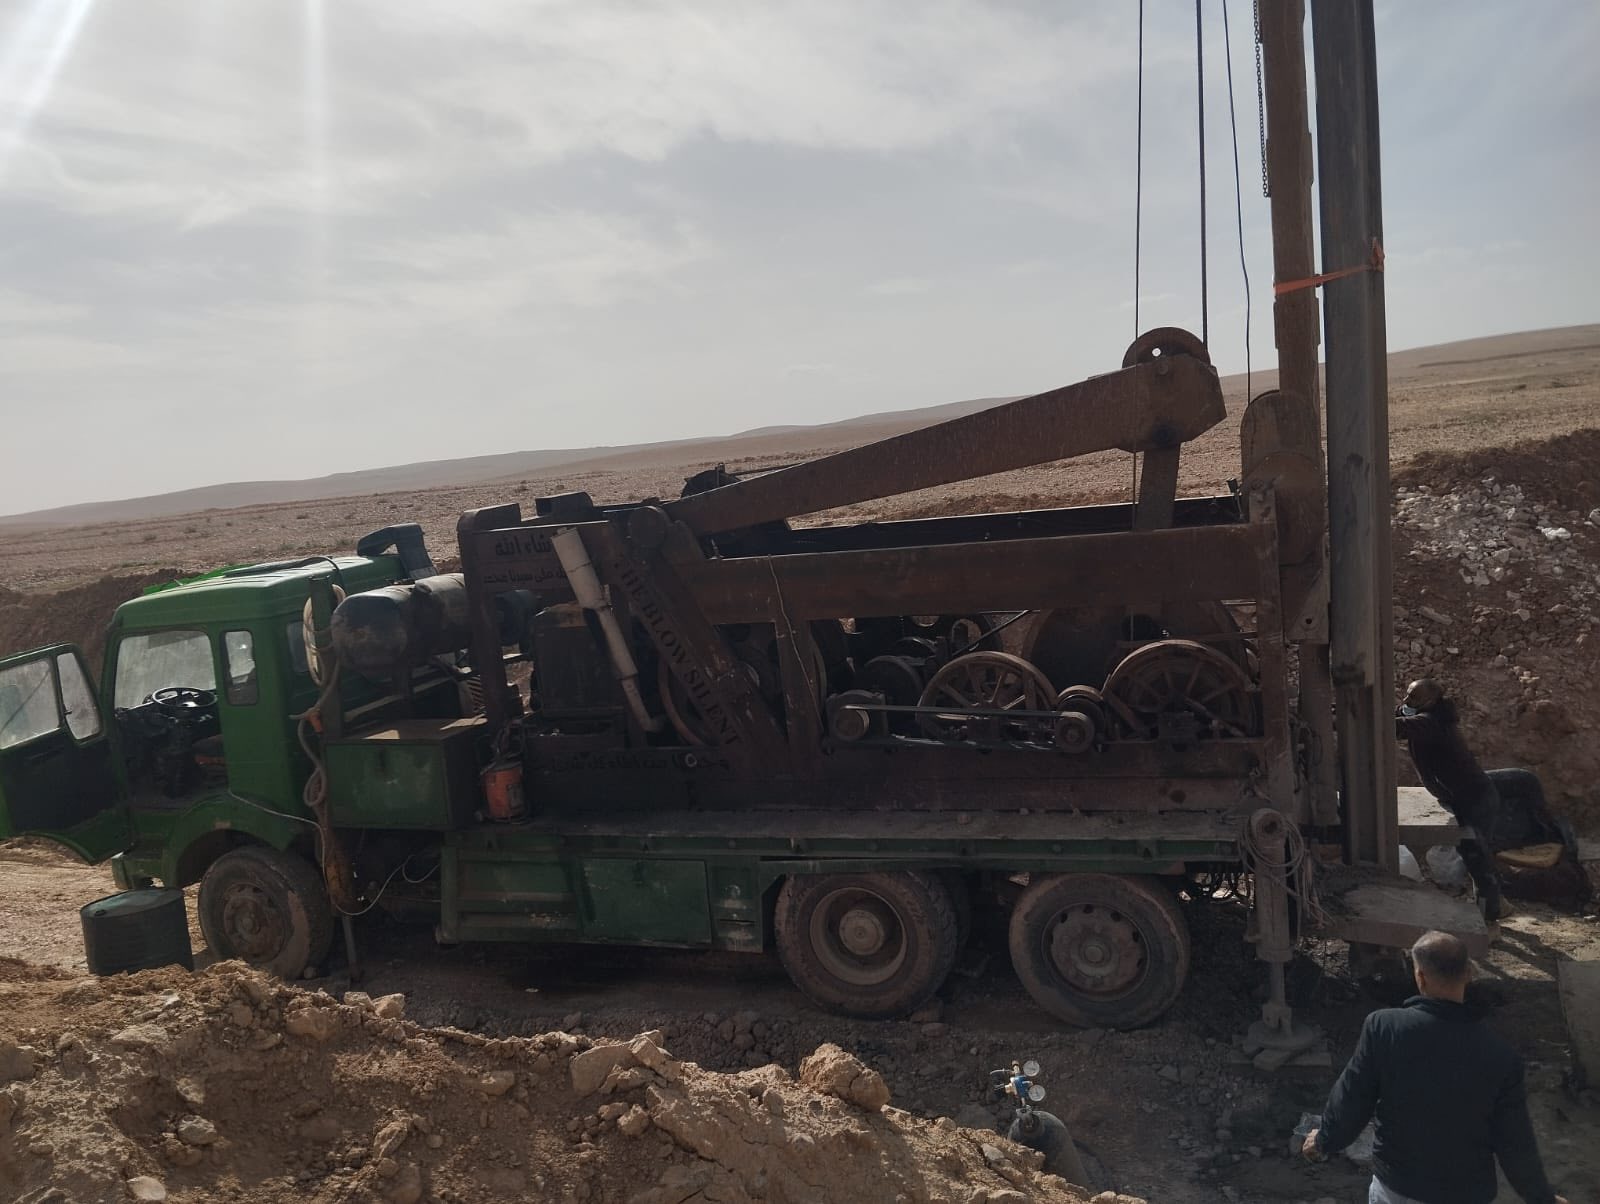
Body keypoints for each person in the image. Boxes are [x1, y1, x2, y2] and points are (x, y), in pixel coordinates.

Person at [1302, 931, 1566, 1204]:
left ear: (1420, 976)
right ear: (1468, 974)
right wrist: (1542, 1197)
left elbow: (1354, 1096)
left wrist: (1324, 1141)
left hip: (1396, 1187)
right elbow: (1515, 1141)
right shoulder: (1501, 1057)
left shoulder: (1384, 1027)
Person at [1394, 678, 1505, 921]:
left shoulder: (1432, 723)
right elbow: (1399, 715)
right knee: (1474, 855)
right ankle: (1495, 904)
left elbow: (1396, 727)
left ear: (1431, 701)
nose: (1406, 700)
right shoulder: (1427, 714)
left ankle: (1491, 916)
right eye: (1407, 694)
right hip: (1462, 795)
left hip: (1475, 799)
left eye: (1413, 697)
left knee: (1476, 857)